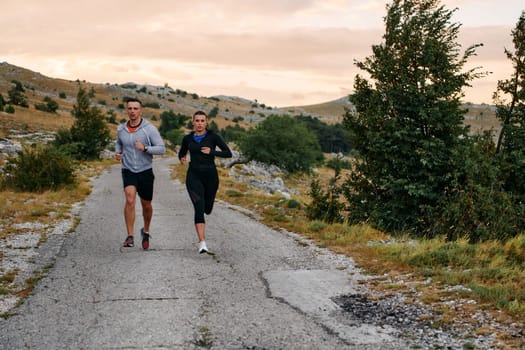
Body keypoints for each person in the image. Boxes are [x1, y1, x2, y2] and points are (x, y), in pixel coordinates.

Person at [178, 110, 232, 253]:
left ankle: (203, 236)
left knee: (207, 208)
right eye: (197, 121)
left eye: (202, 121)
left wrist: (212, 152)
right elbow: (182, 152)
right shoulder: (188, 138)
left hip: (210, 177)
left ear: (206, 122)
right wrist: (182, 158)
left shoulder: (213, 137)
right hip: (193, 176)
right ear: (193, 122)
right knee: (199, 208)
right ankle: (202, 243)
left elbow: (228, 153)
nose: (199, 123)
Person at [115, 97, 165, 250]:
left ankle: (146, 230)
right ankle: (130, 236)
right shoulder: (121, 129)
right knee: (130, 199)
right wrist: (118, 152)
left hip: (145, 171)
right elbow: (119, 142)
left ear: (140, 111)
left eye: (135, 109)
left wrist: (145, 148)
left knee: (146, 205)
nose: (132, 111)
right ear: (126, 110)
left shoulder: (149, 129)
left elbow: (161, 148)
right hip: (128, 169)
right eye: (130, 108)